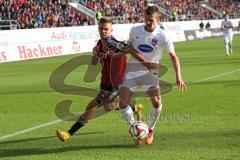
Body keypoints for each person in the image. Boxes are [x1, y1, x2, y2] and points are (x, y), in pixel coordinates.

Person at [56, 17, 134, 141]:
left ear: (111, 30)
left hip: (116, 83)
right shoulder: (99, 43)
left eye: (106, 29)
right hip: (104, 82)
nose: (104, 31)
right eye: (101, 29)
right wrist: (95, 54)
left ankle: (68, 134)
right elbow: (94, 62)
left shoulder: (114, 44)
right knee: (108, 107)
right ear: (98, 29)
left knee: (92, 107)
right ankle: (133, 107)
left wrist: (124, 49)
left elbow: (127, 50)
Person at [118, 6, 187, 145]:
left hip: (150, 72)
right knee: (123, 103)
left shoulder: (163, 35)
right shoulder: (135, 30)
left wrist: (178, 76)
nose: (148, 23)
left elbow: (174, 56)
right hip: (132, 70)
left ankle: (150, 129)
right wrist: (124, 50)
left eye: (151, 20)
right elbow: (129, 48)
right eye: (146, 20)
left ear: (158, 20)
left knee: (156, 102)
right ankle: (136, 128)